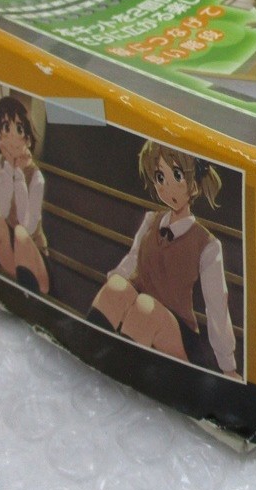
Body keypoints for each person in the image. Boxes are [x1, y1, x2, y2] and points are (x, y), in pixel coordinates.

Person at [93, 146, 237, 371]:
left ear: (194, 183)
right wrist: (117, 292)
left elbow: (217, 306)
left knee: (145, 307)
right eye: (160, 177)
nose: (167, 186)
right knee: (117, 288)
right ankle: (91, 352)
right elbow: (130, 262)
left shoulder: (207, 244)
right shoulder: (151, 221)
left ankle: (117, 368)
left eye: (177, 176)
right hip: (140, 312)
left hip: (177, 330)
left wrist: (228, 366)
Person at [0, 91, 49, 293]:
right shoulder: (0, 163)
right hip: (9, 252)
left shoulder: (36, 178)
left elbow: (28, 226)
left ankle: (28, 302)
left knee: (20, 232)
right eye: (5, 128)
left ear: (28, 139)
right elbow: (2, 208)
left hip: (35, 260)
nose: (11, 136)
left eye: (18, 129)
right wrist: (10, 167)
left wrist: (19, 174)